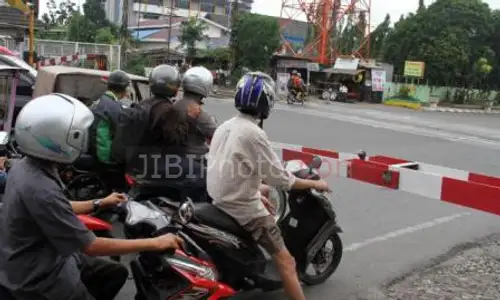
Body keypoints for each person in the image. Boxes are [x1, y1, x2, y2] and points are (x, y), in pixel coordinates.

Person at [0, 93, 184, 300]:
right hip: (39, 279)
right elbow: (91, 246)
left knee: (115, 273)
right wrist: (155, 243)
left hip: (47, 257)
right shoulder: (40, 187)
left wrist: (100, 202)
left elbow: (60, 206)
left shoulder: (25, 167)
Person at [207, 72, 330, 300]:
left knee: (265, 195)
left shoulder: (225, 126)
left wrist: (257, 191)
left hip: (219, 200)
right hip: (241, 209)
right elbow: (283, 180)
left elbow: (231, 168)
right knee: (287, 262)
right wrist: (317, 183)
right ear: (267, 103)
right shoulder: (254, 133)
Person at [174, 66, 217, 202]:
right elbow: (216, 132)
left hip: (177, 157)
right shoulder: (195, 109)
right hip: (193, 160)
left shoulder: (176, 104)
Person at [89, 69, 131, 165]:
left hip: (92, 150)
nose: (129, 89)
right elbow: (122, 134)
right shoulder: (114, 107)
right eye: (128, 86)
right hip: (105, 157)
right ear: (123, 87)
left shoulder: (100, 99)